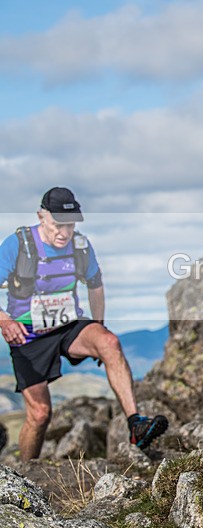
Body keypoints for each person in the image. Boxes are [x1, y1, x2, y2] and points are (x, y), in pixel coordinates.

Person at [0, 187, 168, 461]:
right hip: (28, 335)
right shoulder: (18, 245)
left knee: (109, 342)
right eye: (58, 224)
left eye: (70, 225)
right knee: (41, 414)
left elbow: (96, 285)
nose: (64, 233)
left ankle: (136, 424)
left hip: (68, 326)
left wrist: (98, 326)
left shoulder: (80, 246)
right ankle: (25, 474)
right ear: (41, 216)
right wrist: (4, 321)